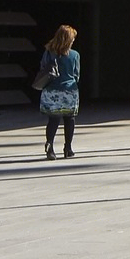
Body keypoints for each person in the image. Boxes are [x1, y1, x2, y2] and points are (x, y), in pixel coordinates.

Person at [34, 25, 82, 159]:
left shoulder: (49, 52)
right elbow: (76, 75)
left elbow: (43, 67)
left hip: (52, 91)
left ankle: (50, 146)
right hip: (69, 90)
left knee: (53, 120)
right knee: (70, 119)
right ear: (68, 40)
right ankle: (68, 148)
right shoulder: (74, 55)